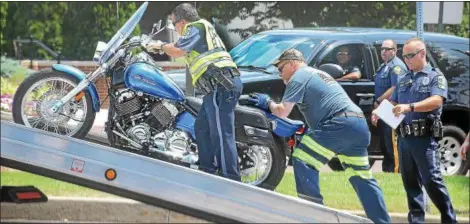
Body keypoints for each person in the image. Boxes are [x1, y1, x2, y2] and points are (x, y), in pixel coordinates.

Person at [249, 49, 390, 223]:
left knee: (302, 159)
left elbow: (282, 111)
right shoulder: (316, 74)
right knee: (361, 177)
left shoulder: (298, 76)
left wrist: (268, 102)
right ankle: (381, 221)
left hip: (339, 125)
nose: (279, 73)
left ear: (292, 64)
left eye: (281, 68)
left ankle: (314, 217)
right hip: (358, 125)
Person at [144, 3, 243, 181]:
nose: (175, 28)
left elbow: (178, 50)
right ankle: (208, 172)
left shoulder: (195, 26)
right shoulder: (201, 29)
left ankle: (230, 180)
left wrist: (158, 45)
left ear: (182, 22)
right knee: (202, 128)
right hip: (216, 87)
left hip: (220, 84)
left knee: (220, 132)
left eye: (174, 24)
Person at [372, 38, 456, 223]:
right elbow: (394, 101)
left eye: (410, 56)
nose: (406, 60)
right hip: (405, 138)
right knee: (410, 183)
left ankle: (449, 219)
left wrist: (410, 107)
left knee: (431, 181)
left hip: (424, 138)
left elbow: (436, 100)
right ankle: (416, 220)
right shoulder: (404, 79)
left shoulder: (435, 76)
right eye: (404, 56)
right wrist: (381, 111)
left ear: (422, 54)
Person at [373, 39, 407, 173]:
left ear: (395, 51)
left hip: (392, 109)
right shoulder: (384, 66)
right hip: (383, 109)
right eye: (382, 49)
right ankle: (387, 172)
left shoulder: (397, 66)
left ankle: (396, 171)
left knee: (392, 145)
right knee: (385, 144)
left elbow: (395, 87)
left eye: (387, 49)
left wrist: (378, 101)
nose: (384, 52)